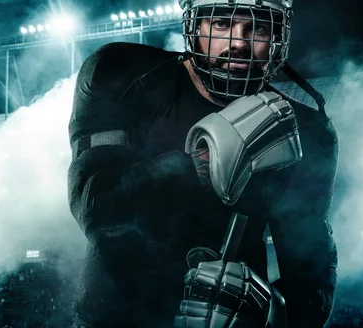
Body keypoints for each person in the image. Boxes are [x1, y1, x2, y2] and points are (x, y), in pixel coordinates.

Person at [66, 0, 339, 327]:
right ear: (195, 28)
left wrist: (271, 312)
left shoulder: (305, 131)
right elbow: (95, 208)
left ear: (279, 36)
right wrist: (193, 164)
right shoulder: (123, 78)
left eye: (259, 27)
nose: (240, 43)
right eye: (222, 24)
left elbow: (313, 274)